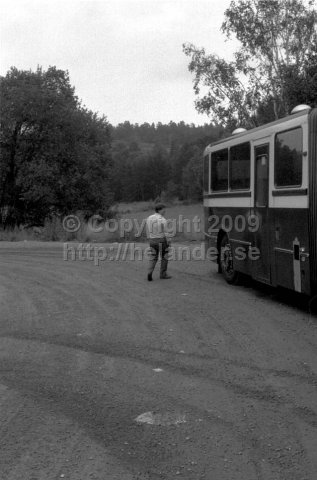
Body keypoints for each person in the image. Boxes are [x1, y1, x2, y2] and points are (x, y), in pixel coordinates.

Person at [146, 203, 172, 281]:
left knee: (153, 258)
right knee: (164, 257)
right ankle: (163, 274)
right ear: (159, 210)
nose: (165, 211)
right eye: (163, 209)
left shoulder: (149, 218)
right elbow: (166, 232)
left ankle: (149, 272)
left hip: (152, 241)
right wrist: (169, 242)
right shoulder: (162, 220)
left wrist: (149, 238)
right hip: (161, 240)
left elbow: (147, 229)